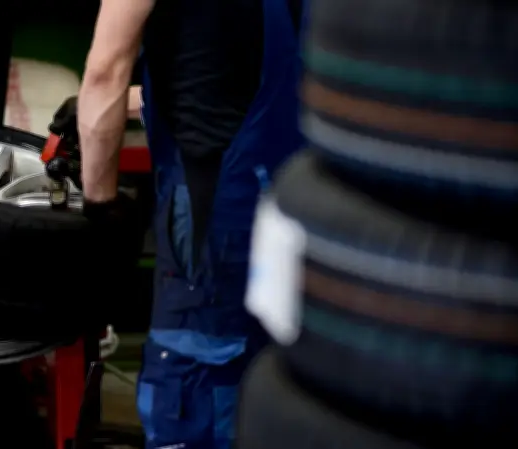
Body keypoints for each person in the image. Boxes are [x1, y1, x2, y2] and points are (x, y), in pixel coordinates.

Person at [71, 0, 304, 446]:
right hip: (289, 209)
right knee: (270, 388)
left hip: (213, 218)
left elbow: (104, 73)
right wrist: (130, 102)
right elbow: (222, 64)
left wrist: (100, 211)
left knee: (194, 387)